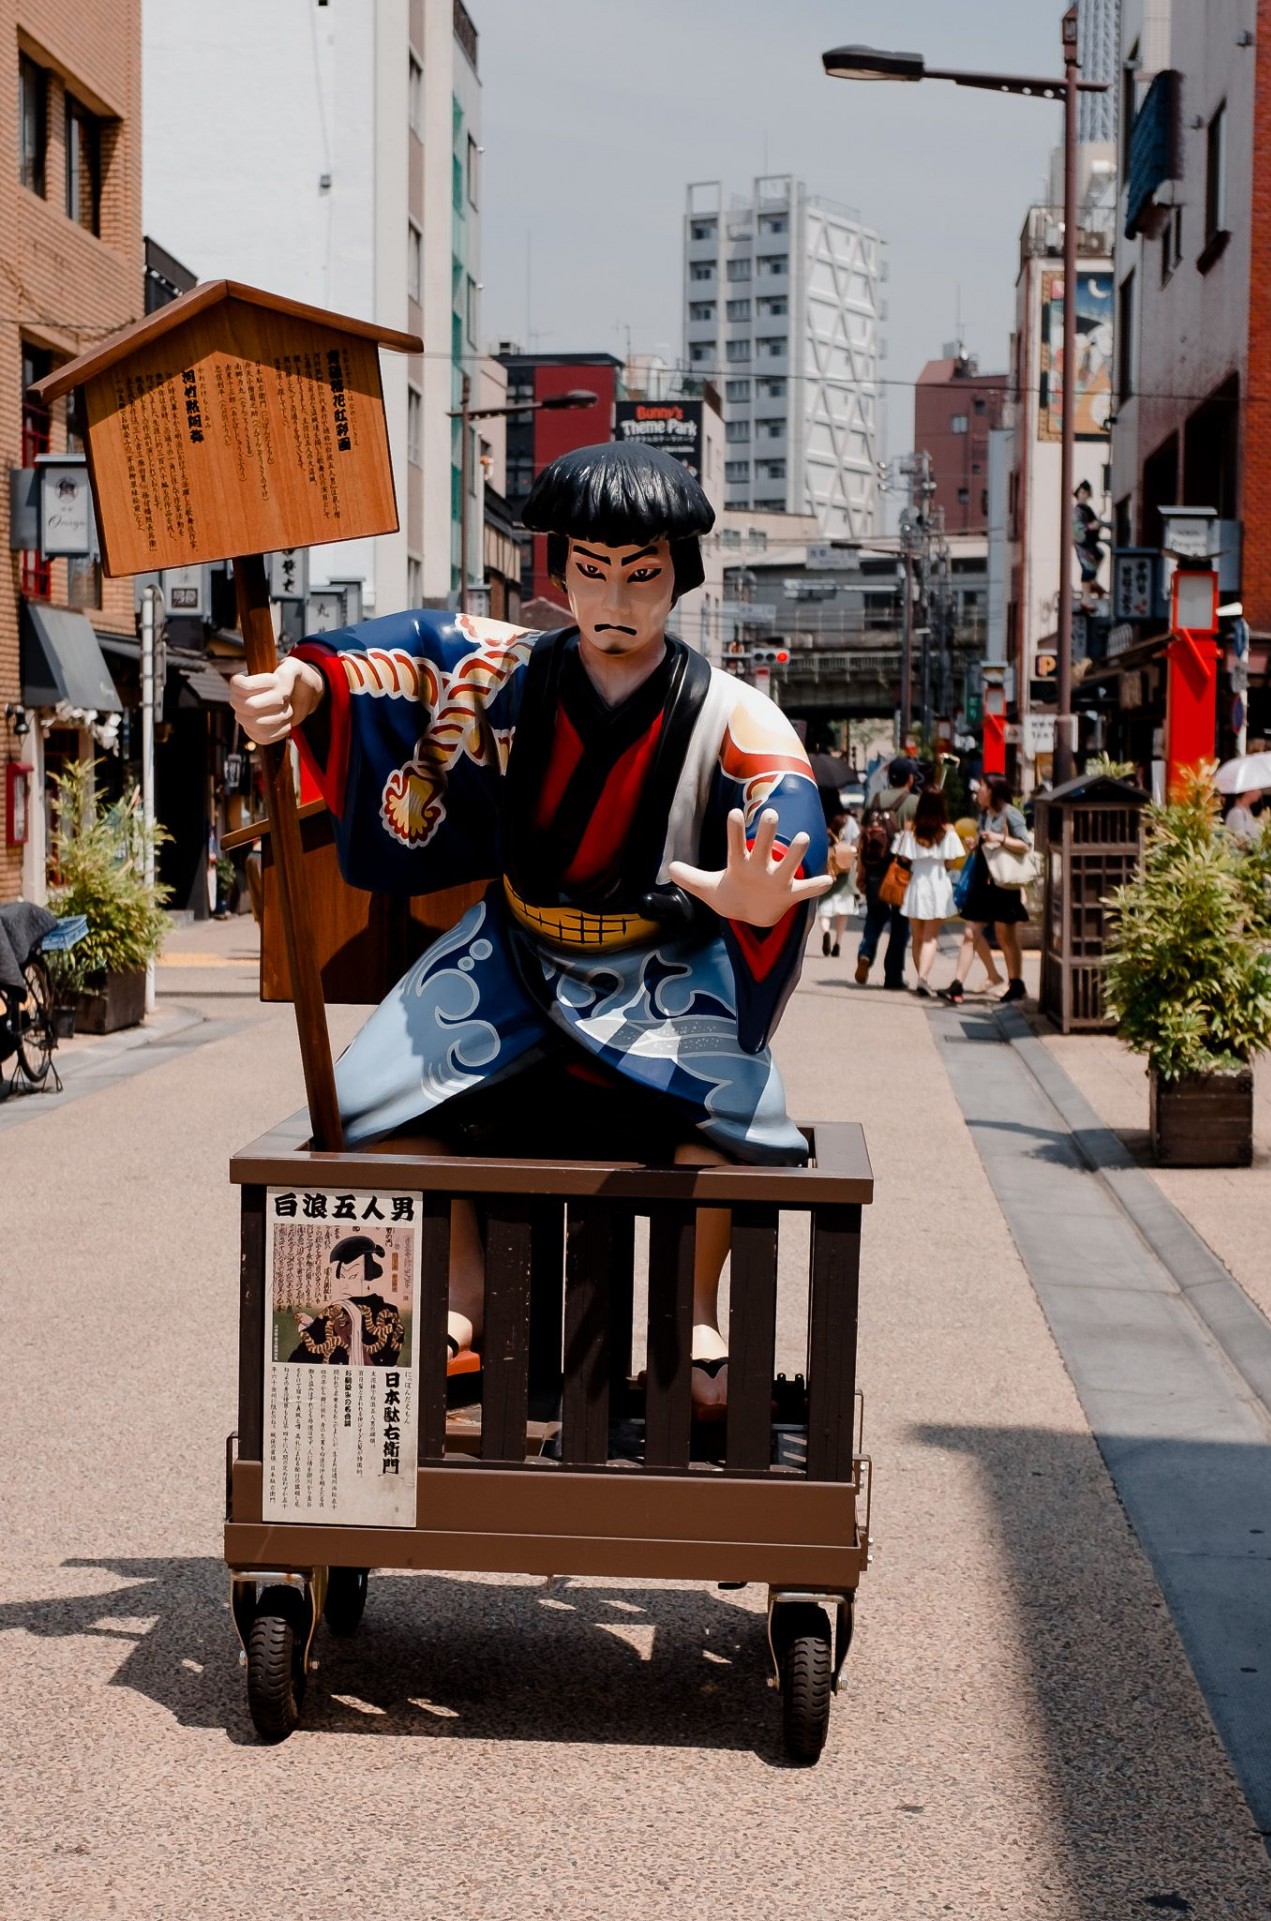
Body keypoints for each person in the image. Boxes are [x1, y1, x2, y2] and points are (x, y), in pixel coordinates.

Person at [229, 440, 831, 1411]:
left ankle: (689, 1310)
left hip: (662, 970)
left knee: (734, 1120)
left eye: (642, 577)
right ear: (560, 573)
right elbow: (406, 660)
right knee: (368, 1112)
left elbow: (784, 803)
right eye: (592, 573)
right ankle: (459, 1298)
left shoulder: (733, 712)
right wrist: (303, 687)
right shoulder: (505, 669)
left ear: (679, 575)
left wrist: (770, 889)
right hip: (510, 954)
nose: (617, 603)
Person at [946, 775, 1030, 1004]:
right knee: (970, 932)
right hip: (982, 882)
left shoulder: (1010, 813)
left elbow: (1025, 845)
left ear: (993, 790)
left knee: (1006, 937)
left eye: (981, 787)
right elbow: (986, 845)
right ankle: (957, 984)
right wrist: (977, 844)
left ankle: (1016, 983)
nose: (978, 792)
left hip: (1002, 884)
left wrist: (999, 838)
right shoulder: (984, 814)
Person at [853, 754, 921, 989]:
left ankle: (865, 953)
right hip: (901, 872)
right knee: (900, 923)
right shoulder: (913, 803)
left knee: (874, 914)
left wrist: (860, 870)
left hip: (873, 868)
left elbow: (863, 838)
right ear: (910, 779)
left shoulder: (875, 798)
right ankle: (893, 976)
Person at [892, 787, 966, 998]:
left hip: (917, 884)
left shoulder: (910, 829)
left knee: (917, 936)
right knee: (930, 938)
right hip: (938, 883)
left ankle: (921, 978)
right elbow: (951, 861)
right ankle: (923, 978)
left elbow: (904, 859)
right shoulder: (948, 830)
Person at [817, 796, 862, 958]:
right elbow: (856, 845)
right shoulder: (850, 821)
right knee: (843, 911)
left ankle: (826, 932)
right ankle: (838, 943)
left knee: (824, 910)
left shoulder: (823, 819)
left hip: (829, 869)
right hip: (846, 870)